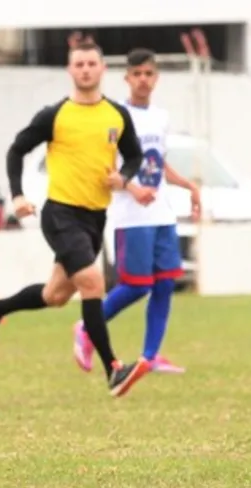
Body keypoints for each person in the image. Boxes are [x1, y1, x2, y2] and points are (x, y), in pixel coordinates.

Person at [0, 41, 152, 397]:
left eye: (91, 64)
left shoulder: (117, 115)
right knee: (93, 282)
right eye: (79, 64)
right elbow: (16, 150)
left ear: (102, 69)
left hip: (95, 218)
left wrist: (124, 178)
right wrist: (17, 195)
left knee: (55, 295)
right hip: (60, 214)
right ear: (71, 70)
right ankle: (114, 369)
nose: (85, 70)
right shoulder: (55, 115)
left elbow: (134, 156)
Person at [72, 48, 200, 375]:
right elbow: (105, 168)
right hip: (131, 217)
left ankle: (150, 356)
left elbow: (158, 162)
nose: (143, 79)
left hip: (161, 213)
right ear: (127, 78)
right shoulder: (115, 116)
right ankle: (86, 327)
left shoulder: (160, 117)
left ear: (156, 78)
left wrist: (188, 185)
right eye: (137, 74)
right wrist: (132, 188)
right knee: (137, 285)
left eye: (148, 74)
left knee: (165, 283)